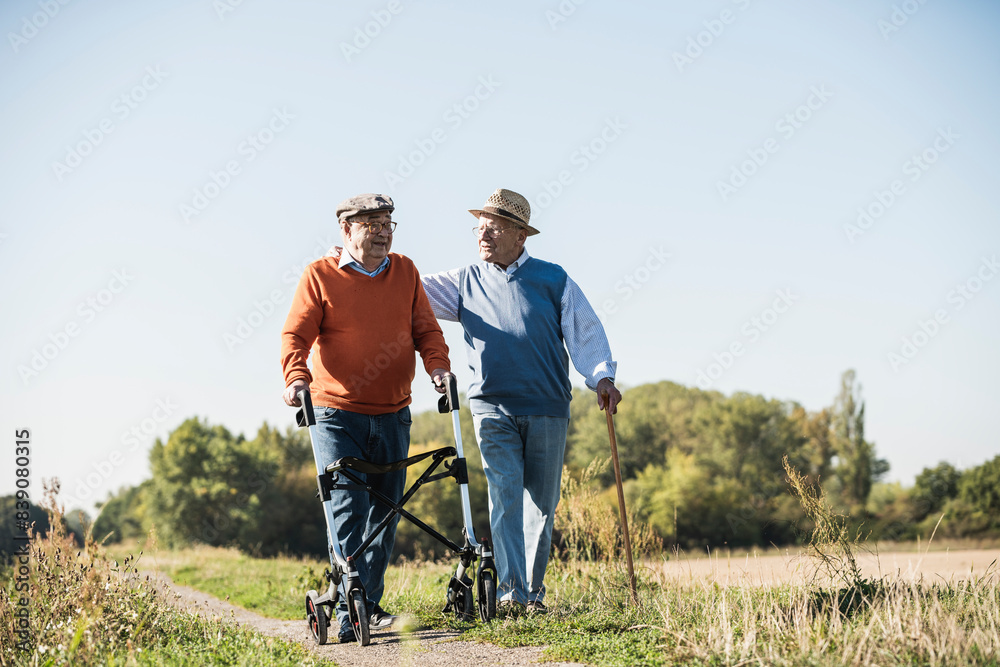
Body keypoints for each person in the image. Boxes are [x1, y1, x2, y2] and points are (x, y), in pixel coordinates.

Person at [421, 188, 622, 614]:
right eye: (479, 228)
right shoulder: (464, 281)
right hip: (491, 407)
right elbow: (406, 289)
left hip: (547, 406)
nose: (483, 235)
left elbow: (585, 332)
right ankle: (511, 594)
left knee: (541, 506)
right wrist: (360, 261)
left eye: (493, 228)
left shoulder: (553, 279)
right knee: (505, 496)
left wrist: (602, 377)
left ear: (520, 235)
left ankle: (532, 594)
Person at [281, 193, 450, 642]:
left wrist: (438, 368)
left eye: (387, 223)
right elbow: (296, 335)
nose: (382, 232)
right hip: (336, 413)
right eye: (371, 224)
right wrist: (295, 378)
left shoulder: (405, 271)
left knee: (386, 512)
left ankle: (366, 606)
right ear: (346, 229)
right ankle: (347, 612)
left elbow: (426, 329)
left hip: (393, 412)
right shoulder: (320, 275)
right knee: (347, 508)